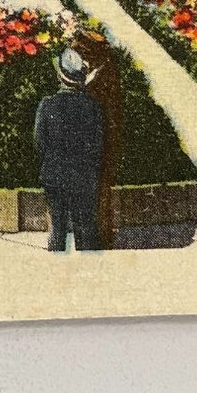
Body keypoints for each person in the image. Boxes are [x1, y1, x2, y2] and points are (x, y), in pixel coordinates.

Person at [34, 48, 105, 252]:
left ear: (60, 76)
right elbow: (98, 147)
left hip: (54, 175)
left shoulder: (46, 105)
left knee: (58, 227)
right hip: (84, 176)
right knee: (87, 227)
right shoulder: (92, 106)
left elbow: (39, 143)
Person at [71, 28, 123, 249]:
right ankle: (92, 236)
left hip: (98, 142)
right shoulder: (95, 72)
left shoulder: (105, 73)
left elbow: (110, 112)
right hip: (89, 141)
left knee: (98, 191)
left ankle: (98, 238)